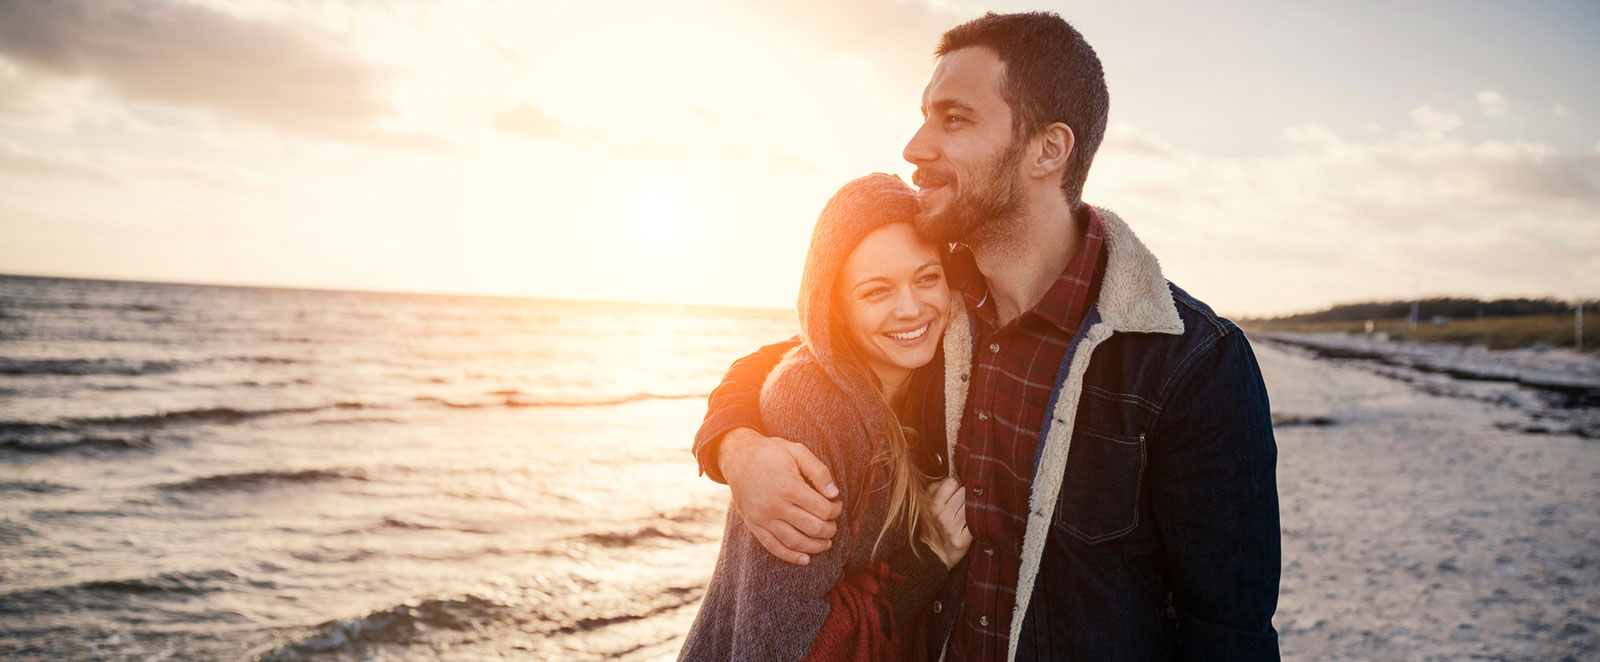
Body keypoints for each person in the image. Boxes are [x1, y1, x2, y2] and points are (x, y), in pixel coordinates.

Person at [692, 12, 1281, 662]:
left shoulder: (1192, 363)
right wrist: (738, 447)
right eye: (923, 114)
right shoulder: (938, 312)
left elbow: (1230, 635)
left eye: (954, 119)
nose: (915, 146)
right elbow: (804, 356)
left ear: (1047, 150)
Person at [679, 174, 975, 661]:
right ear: (832, 309)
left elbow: (764, 359)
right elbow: (787, 648)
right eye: (876, 291)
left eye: (927, 277)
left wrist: (732, 442)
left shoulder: (943, 369)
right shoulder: (813, 406)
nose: (911, 308)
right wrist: (929, 559)